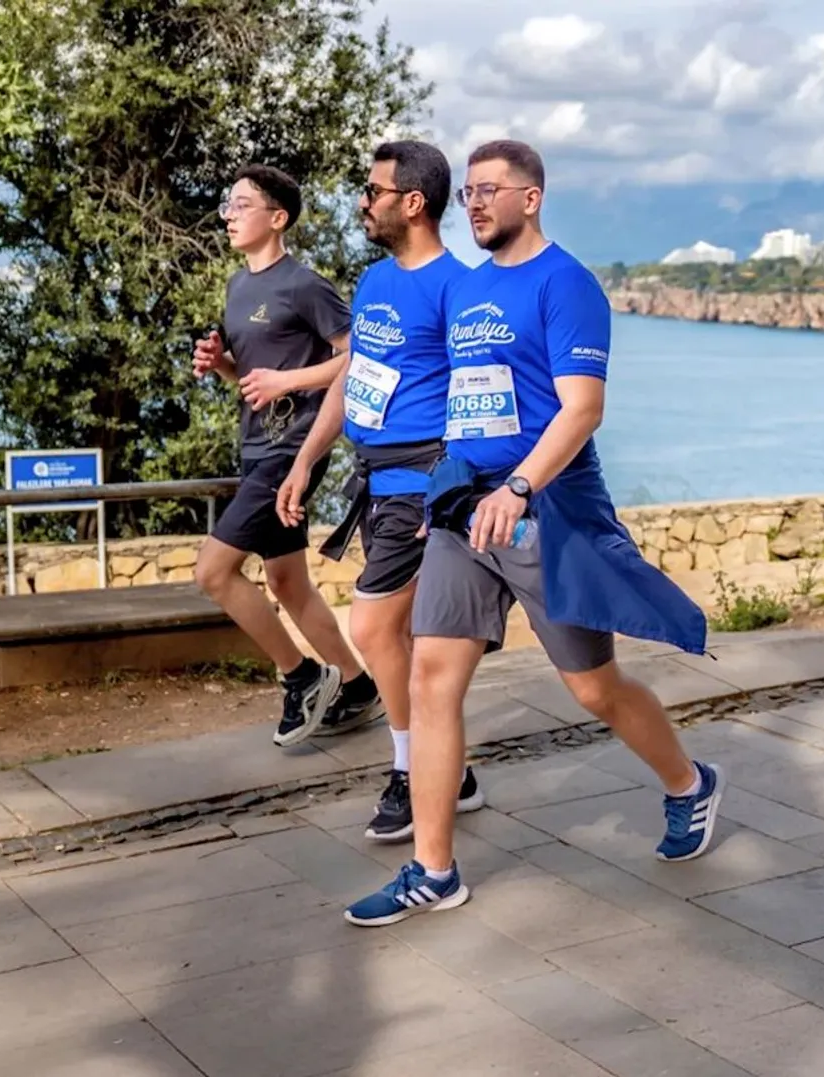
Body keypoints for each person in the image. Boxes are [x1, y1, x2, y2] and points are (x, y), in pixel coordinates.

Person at [345, 139, 723, 926]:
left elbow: (582, 407)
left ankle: (691, 783)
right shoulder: (465, 289)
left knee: (593, 687)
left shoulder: (567, 284)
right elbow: (437, 391)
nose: (475, 203)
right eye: (468, 193)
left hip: (545, 506)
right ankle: (435, 869)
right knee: (430, 678)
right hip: (462, 508)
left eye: (490, 190)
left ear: (532, 198)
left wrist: (520, 486)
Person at [277, 140, 484, 841]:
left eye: (373, 191)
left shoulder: (459, 289)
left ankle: (410, 768)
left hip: (423, 488)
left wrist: (452, 493)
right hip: (375, 484)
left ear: (412, 203)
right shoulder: (374, 281)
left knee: (370, 626)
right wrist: (307, 460)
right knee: (405, 638)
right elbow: (353, 377)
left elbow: (479, 395)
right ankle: (447, 770)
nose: (362, 202)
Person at [193, 164, 375, 749]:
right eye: (228, 204)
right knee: (286, 578)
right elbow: (252, 378)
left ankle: (301, 677)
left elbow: (357, 359)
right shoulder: (237, 286)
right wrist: (220, 365)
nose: (228, 214)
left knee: (213, 573)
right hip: (254, 445)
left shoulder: (304, 285)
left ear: (277, 218)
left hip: (292, 448)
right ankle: (357, 685)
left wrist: (289, 383)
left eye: (240, 205)